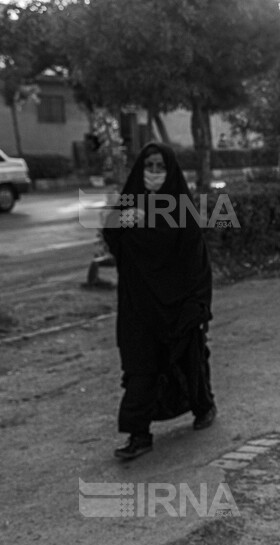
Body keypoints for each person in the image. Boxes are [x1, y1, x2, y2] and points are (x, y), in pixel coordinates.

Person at [101, 142, 217, 460]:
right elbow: (110, 234)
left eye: (160, 167)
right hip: (139, 305)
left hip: (179, 304)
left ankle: (203, 406)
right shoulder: (129, 204)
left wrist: (197, 304)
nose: (153, 173)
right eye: (148, 166)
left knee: (189, 361)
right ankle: (139, 434)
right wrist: (122, 223)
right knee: (141, 368)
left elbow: (195, 260)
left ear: (170, 172)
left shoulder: (181, 209)